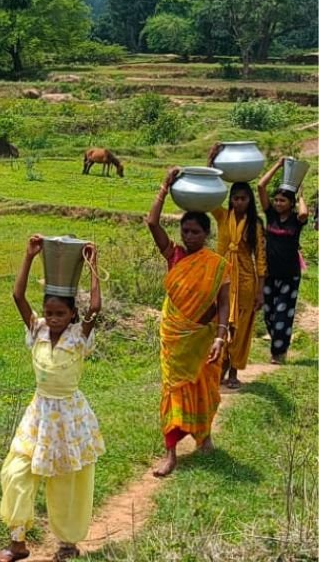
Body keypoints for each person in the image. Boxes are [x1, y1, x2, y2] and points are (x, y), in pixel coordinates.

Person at [0, 236, 104, 562]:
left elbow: (95, 308)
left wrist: (92, 266)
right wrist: (28, 257)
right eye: (48, 311)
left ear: (72, 315)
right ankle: (17, 542)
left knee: (67, 482)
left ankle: (67, 544)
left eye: (59, 313)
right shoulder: (36, 330)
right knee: (16, 472)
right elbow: (17, 295)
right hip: (39, 414)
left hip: (69, 417)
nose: (52, 318)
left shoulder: (79, 338)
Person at [147, 168, 230, 478]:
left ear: (206, 234)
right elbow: (152, 222)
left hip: (205, 337)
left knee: (205, 386)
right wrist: (164, 186)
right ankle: (170, 453)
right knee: (172, 390)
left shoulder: (218, 265)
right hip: (176, 337)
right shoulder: (175, 256)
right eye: (186, 231)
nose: (189, 237)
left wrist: (221, 336)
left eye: (196, 232)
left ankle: (204, 437)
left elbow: (223, 304)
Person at [207, 143, 267, 388]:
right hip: (222, 277)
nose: (238, 202)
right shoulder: (222, 217)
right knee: (219, 322)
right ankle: (218, 369)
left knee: (240, 328)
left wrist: (261, 290)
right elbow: (208, 195)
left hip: (244, 281)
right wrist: (210, 161)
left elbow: (261, 259)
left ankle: (233, 372)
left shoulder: (256, 225)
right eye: (235, 198)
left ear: (249, 201)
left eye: (243, 198)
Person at [258, 158, 309, 364]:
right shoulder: (270, 216)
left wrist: (300, 196)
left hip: (289, 276)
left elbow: (304, 212)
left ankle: (278, 354)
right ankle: (278, 346)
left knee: (282, 316)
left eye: (283, 201)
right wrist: (278, 165)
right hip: (269, 274)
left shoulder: (296, 222)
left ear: (290, 203)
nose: (278, 203)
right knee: (269, 315)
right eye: (277, 200)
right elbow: (261, 186)